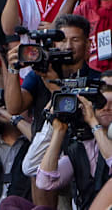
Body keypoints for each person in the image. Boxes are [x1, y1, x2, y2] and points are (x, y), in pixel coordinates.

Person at [4, 14, 101, 135]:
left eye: (75, 40)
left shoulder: (96, 78)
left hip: (82, 145)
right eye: (63, 40)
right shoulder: (41, 72)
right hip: (45, 147)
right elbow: (14, 108)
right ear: (54, 43)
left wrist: (54, 87)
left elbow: (82, 115)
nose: (68, 46)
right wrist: (13, 69)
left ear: (87, 44)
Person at [31, 70, 112, 209]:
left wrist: (93, 122)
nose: (106, 108)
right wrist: (59, 130)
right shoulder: (80, 148)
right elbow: (45, 182)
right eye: (101, 104)